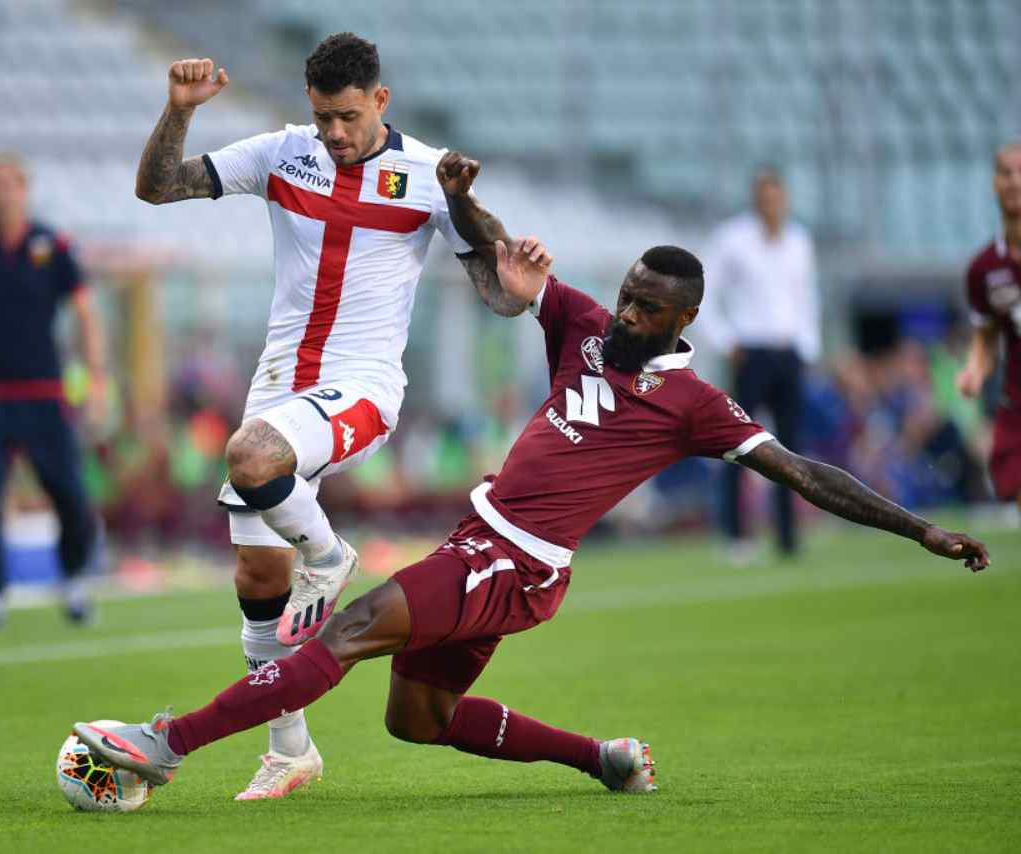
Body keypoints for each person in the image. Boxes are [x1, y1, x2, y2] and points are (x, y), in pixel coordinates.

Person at [74, 199, 988, 797]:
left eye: (647, 308)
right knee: (417, 721)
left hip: (515, 561)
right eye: (627, 294)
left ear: (684, 321)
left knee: (345, 632)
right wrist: (464, 200)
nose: (627, 312)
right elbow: (507, 267)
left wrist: (919, 529)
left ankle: (165, 744)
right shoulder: (585, 327)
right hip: (484, 542)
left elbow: (803, 471)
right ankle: (604, 760)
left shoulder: (695, 405)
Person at [133, 33, 506, 798]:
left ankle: (331, 557)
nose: (334, 133)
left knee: (252, 456)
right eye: (322, 117)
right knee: (258, 580)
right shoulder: (282, 153)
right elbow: (158, 188)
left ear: (380, 100)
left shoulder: (427, 175)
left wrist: (464, 201)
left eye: (347, 116)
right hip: (279, 389)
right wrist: (179, 111)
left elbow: (501, 287)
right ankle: (290, 750)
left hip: (362, 388)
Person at [0, 152, 107, 629]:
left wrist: (95, 378)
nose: (2, 193)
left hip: (44, 392)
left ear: (24, 189)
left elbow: (86, 314)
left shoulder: (53, 246)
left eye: (10, 183)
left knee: (69, 492)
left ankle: (73, 578)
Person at [701, 168, 821, 561]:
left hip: (788, 352)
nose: (771, 203)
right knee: (738, 445)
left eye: (776, 196)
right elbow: (705, 292)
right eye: (764, 196)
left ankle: (787, 536)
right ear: (755, 199)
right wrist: (725, 341)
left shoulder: (799, 240)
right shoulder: (733, 239)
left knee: (791, 447)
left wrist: (807, 347)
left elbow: (806, 298)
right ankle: (736, 534)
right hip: (750, 352)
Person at [957, 142, 1021, 509]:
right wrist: (974, 370)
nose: (1014, 181)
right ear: (995, 183)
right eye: (1005, 173)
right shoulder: (983, 268)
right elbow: (986, 337)